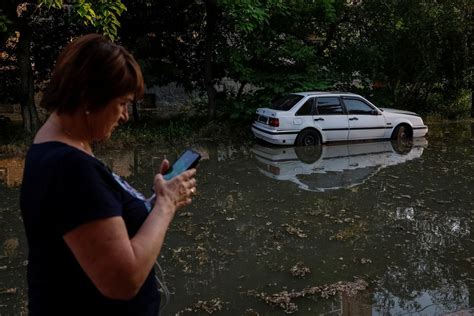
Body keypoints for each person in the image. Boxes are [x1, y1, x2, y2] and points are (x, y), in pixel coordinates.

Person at [19, 34, 197, 315]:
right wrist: (166, 204)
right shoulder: (70, 167)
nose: (125, 115)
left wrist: (153, 200)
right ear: (90, 98)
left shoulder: (62, 148)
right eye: (122, 103)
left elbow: (96, 220)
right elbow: (122, 281)